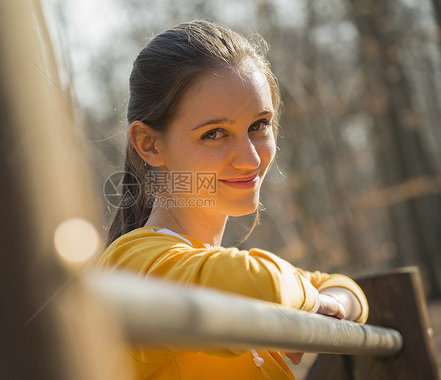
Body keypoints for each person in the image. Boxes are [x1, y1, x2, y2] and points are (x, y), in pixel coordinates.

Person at [98, 20, 368, 379]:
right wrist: (310, 302)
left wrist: (324, 305)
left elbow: (350, 291)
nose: (251, 159)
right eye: (215, 134)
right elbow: (265, 285)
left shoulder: (224, 275)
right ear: (150, 144)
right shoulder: (131, 264)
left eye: (259, 125)